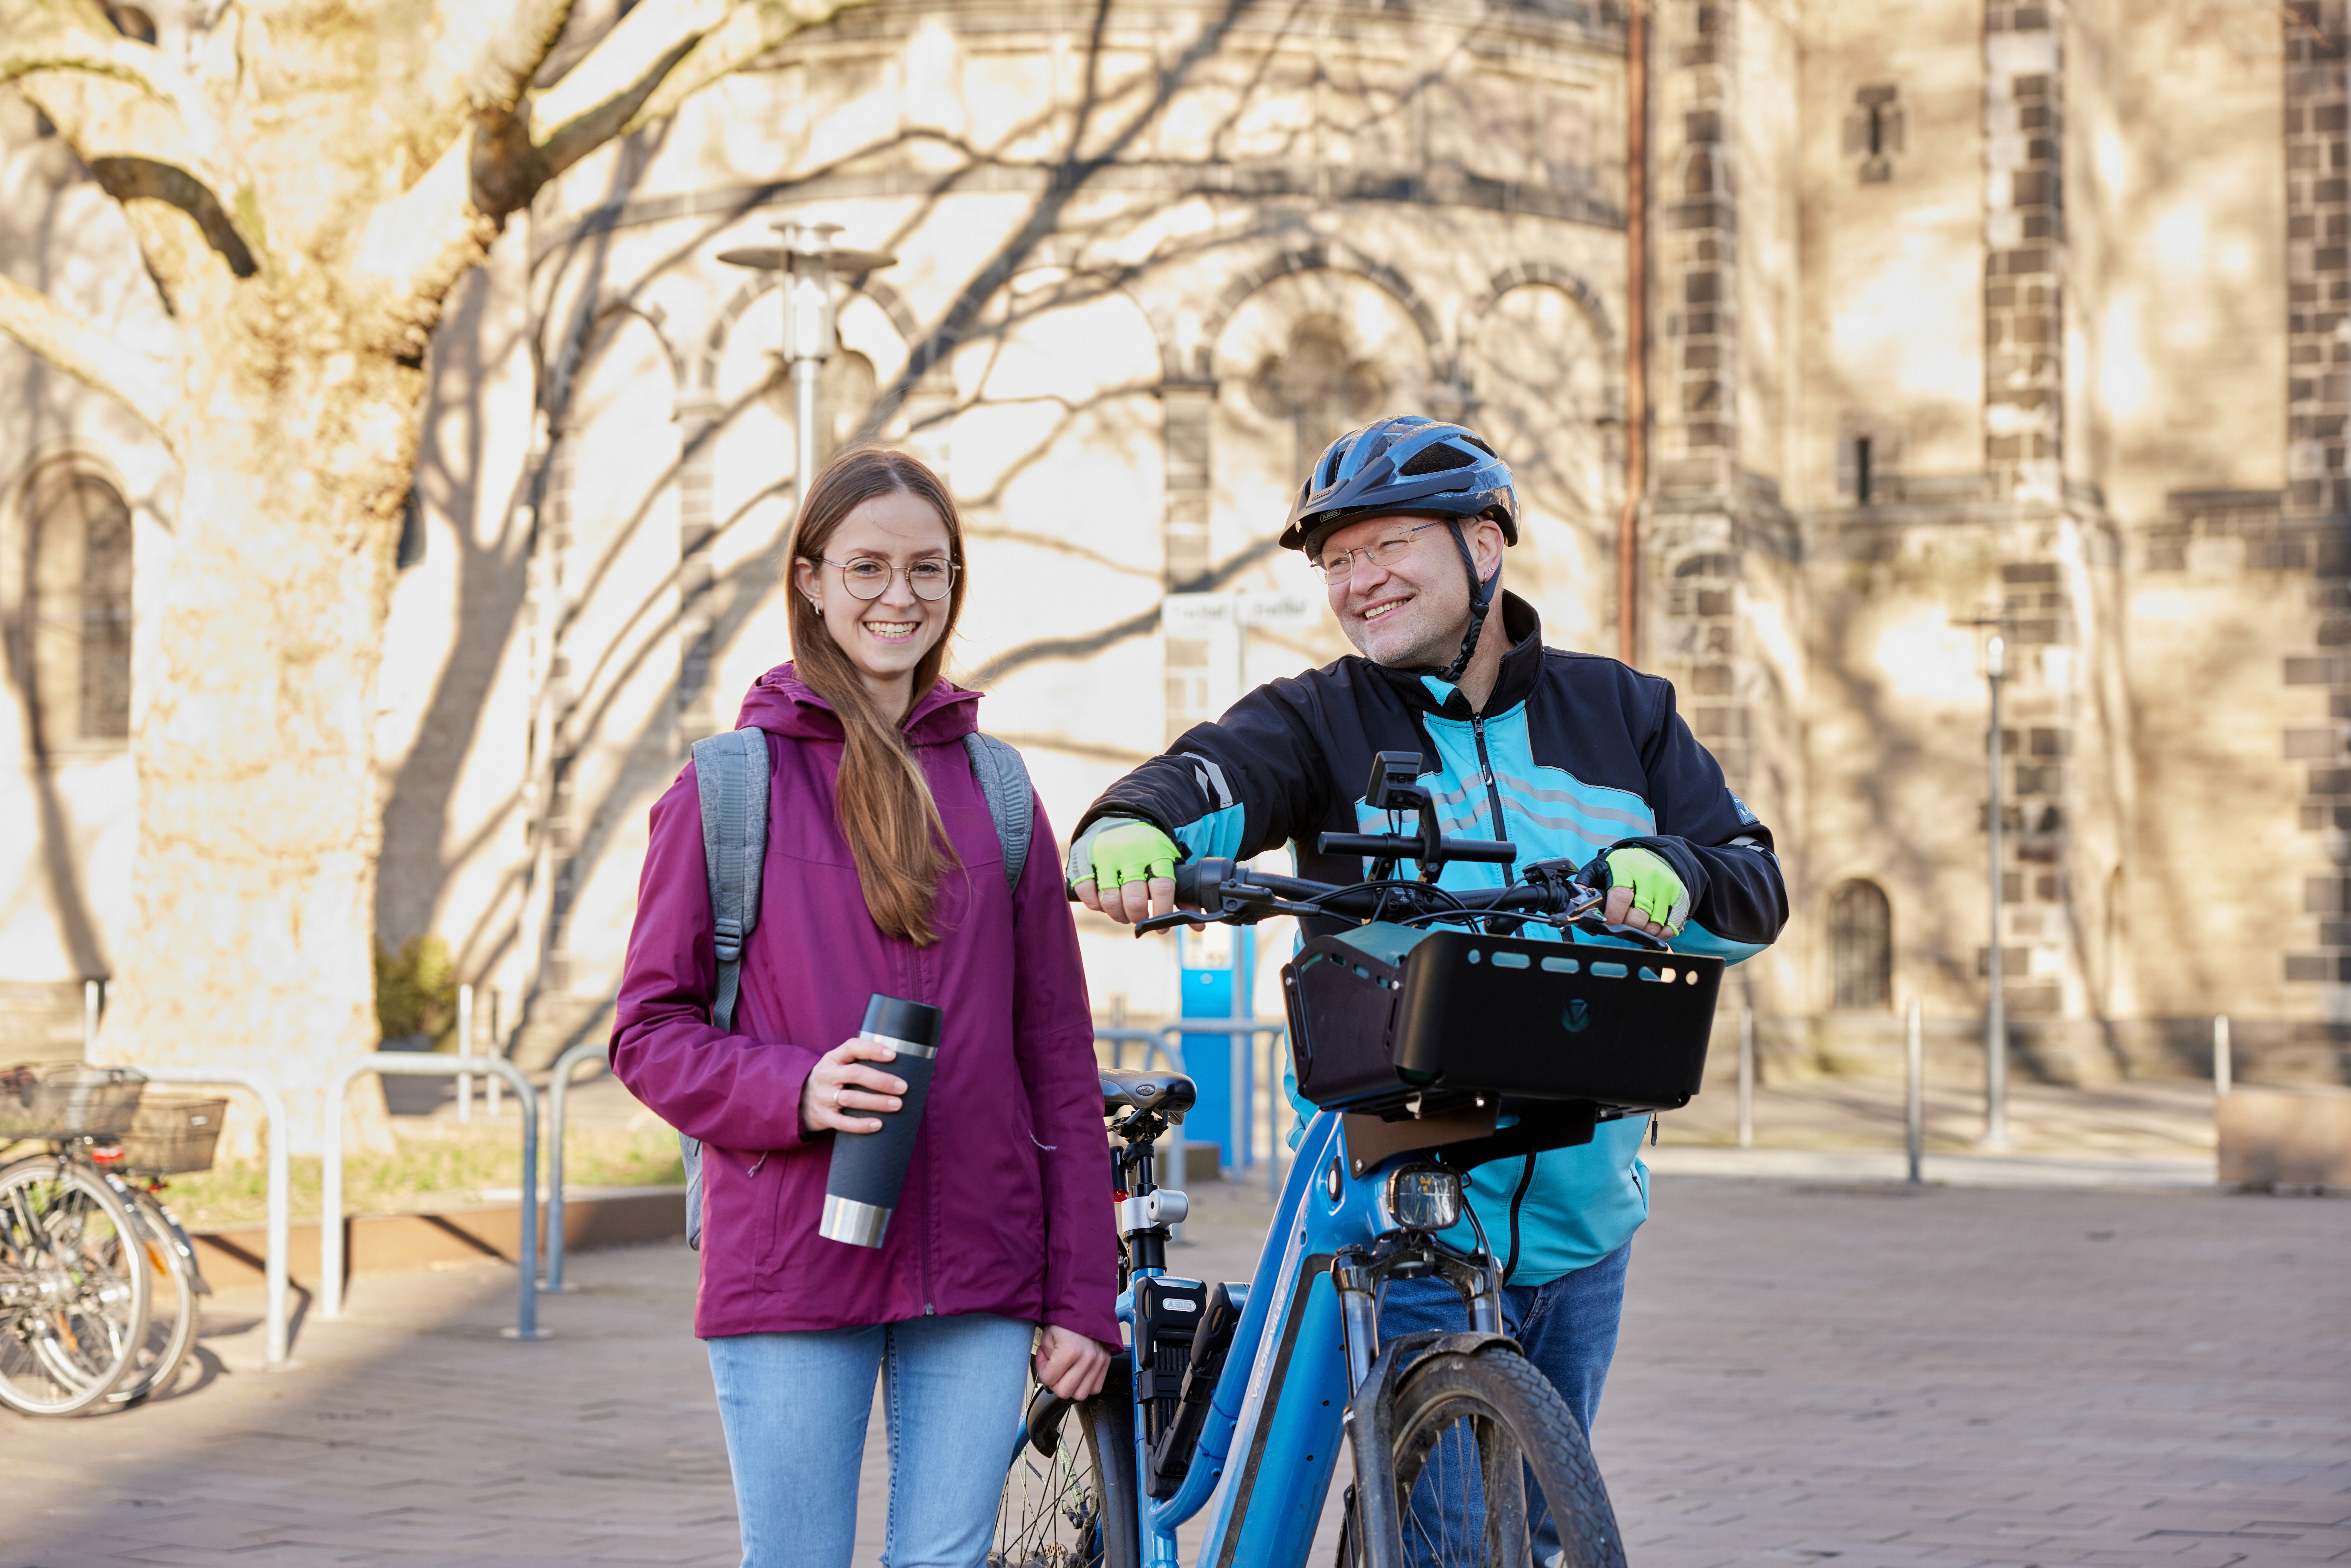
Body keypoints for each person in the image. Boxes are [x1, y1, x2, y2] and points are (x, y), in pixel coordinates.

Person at [1069, 415, 1788, 1559]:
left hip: (1580, 1220)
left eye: (1387, 544)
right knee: (1458, 1541)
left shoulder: (1624, 715)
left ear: (1484, 546)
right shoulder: (1322, 718)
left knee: (1541, 1532)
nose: (1357, 581)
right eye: (1336, 560)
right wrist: (1131, 826)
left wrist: (1673, 870)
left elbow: (1752, 884)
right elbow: (1212, 773)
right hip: (1400, 1200)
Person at [610, 448, 1119, 1568]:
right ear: (810, 579)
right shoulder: (730, 784)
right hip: (795, 1252)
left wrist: (1085, 1291)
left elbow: (1060, 1062)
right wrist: (794, 1087)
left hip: (982, 1263)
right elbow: (647, 1032)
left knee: (942, 1562)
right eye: (869, 568)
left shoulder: (996, 787)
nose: (901, 597)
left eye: (928, 570)